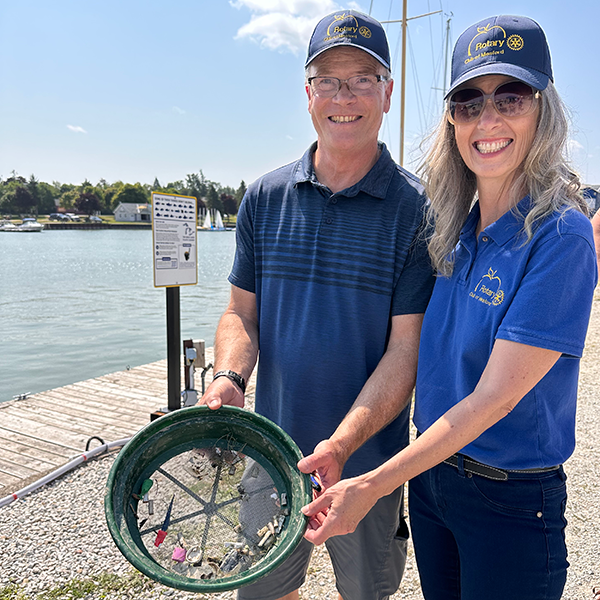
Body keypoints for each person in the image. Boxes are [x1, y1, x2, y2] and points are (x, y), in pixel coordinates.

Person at [299, 15, 598, 600]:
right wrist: (343, 447)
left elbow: (494, 398)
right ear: (452, 122)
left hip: (509, 498)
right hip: (435, 482)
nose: (487, 119)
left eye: (510, 97)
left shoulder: (559, 236)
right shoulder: (454, 230)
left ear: (544, 110)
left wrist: (373, 485)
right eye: (468, 102)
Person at [199, 9, 435, 600]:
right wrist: (228, 375)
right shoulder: (264, 196)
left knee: (365, 593)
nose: (344, 96)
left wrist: (342, 446)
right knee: (265, 591)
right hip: (270, 451)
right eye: (328, 80)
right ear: (308, 94)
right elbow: (240, 315)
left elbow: (406, 349)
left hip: (369, 463)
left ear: (387, 94)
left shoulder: (419, 210)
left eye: (362, 79)